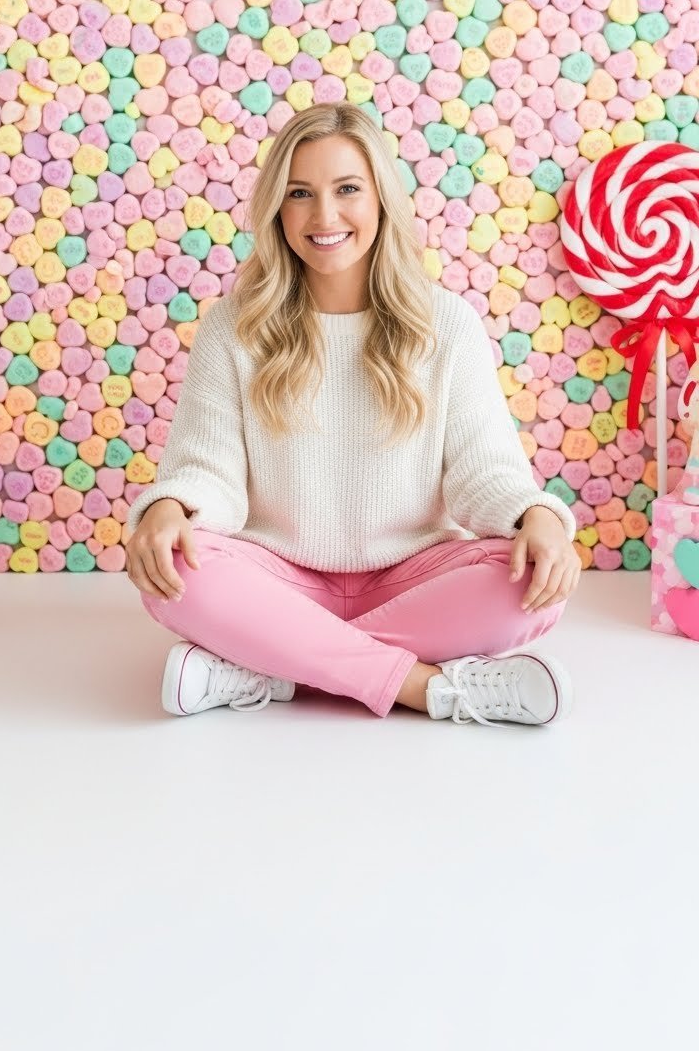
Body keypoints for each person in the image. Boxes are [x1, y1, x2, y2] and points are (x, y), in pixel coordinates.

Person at [125, 104, 581, 728]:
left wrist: (537, 518)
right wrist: (166, 510)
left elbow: (484, 471)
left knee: (526, 583)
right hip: (279, 578)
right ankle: (427, 688)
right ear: (277, 210)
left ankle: (269, 664)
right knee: (175, 568)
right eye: (300, 194)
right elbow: (209, 474)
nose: (324, 216)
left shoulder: (445, 323)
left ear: (380, 199)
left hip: (411, 578)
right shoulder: (234, 327)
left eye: (346, 190)